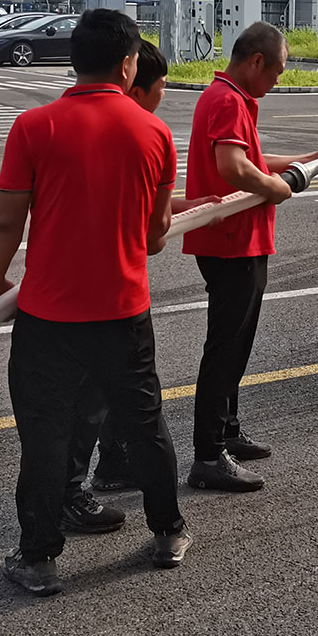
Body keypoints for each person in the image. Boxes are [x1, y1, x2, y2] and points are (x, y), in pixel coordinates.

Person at [0, 9, 190, 596]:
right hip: (123, 313)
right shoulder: (154, 134)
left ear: (75, 61)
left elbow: (7, 220)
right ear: (128, 66)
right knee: (144, 425)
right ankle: (168, 533)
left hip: (47, 317)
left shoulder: (34, 126)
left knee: (45, 436)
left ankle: (39, 559)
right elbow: (154, 237)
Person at [182, 21, 318, 493]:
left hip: (235, 241)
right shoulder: (228, 101)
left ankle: (228, 431)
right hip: (233, 242)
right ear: (256, 61)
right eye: (277, 72)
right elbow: (234, 168)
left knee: (235, 345)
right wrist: (277, 189)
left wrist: (308, 158)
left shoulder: (227, 96)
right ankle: (209, 455)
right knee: (225, 348)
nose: (277, 81)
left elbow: (249, 158)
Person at [67, 40, 220, 495]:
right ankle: (78, 490)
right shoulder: (137, 135)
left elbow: (142, 206)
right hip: (105, 295)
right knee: (100, 393)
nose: (164, 96)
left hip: (94, 290)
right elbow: (151, 233)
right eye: (162, 87)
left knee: (109, 390)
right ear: (133, 83)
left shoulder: (88, 126)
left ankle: (114, 464)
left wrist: (195, 206)